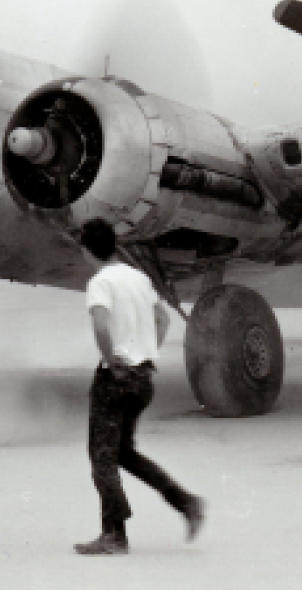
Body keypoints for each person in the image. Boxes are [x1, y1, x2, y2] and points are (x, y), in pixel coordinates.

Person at [74, 218, 205, 556]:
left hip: (115, 379)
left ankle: (114, 534)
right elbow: (163, 318)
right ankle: (185, 502)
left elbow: (101, 326)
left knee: (102, 458)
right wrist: (148, 352)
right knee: (124, 453)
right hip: (143, 378)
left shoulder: (100, 282)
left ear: (89, 251)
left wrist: (112, 359)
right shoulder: (139, 277)